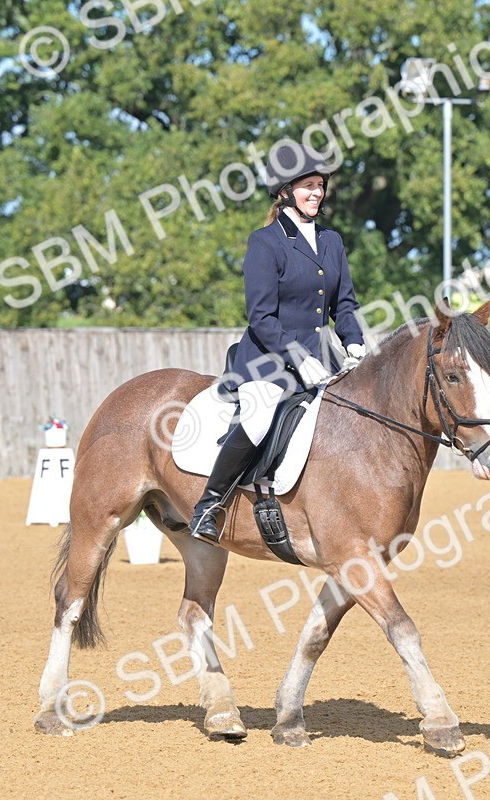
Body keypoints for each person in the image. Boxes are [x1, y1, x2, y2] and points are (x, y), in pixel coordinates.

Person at [188, 144, 367, 543]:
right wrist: (297, 358)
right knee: (258, 418)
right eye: (308, 185)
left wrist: (355, 344)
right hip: (266, 361)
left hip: (324, 360)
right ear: (286, 191)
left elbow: (346, 304)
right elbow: (261, 317)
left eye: (321, 185)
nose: (317, 192)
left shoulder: (332, 241)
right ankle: (209, 505)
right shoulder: (265, 242)